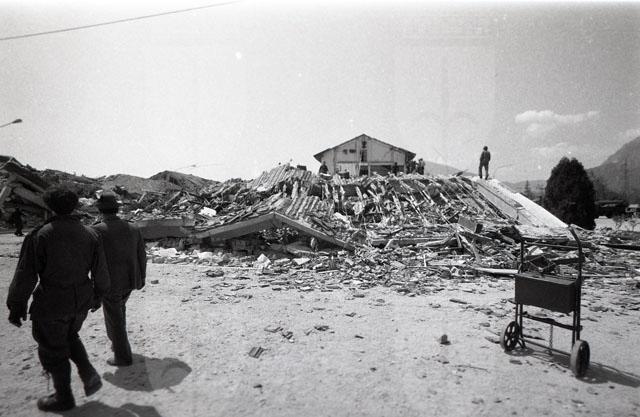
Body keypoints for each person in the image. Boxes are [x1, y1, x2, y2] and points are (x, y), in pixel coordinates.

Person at [6, 186, 110, 412]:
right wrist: (98, 296)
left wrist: (16, 305)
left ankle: (64, 398)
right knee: (70, 335)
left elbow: (25, 275)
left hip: (52, 303)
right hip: (81, 301)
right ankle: (88, 373)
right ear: (74, 205)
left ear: (49, 206)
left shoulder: (40, 235)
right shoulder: (90, 234)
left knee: (53, 348)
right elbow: (101, 271)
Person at [92, 192, 147, 367]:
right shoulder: (133, 227)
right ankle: (117, 344)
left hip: (109, 282)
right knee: (117, 312)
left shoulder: (96, 230)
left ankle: (122, 356)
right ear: (116, 209)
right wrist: (142, 277)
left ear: (100, 210)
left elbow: (92, 260)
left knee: (114, 318)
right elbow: (142, 255)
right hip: (130, 280)